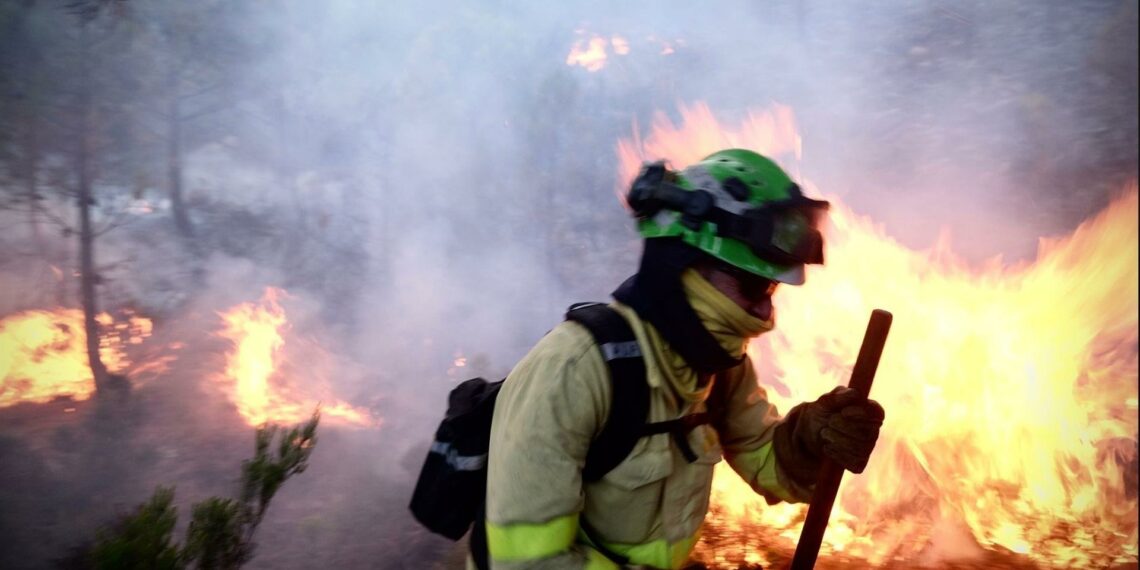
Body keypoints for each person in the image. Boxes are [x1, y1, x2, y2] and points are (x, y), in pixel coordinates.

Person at [482, 149, 886, 569]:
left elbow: (761, 453)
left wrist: (808, 441)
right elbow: (526, 563)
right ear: (682, 264)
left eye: (769, 291)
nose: (766, 313)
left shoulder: (720, 368)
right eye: (751, 285)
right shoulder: (572, 372)